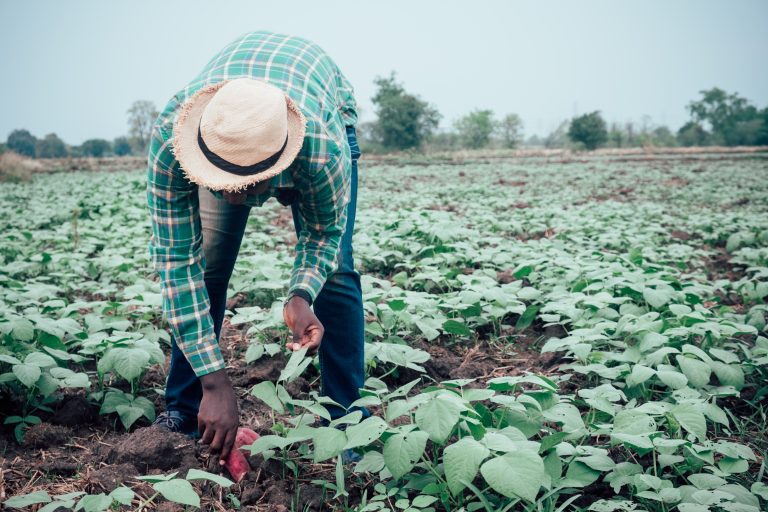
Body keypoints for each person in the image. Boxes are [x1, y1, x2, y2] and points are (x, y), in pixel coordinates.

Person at [146, 30, 368, 466]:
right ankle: (183, 407)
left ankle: (345, 423)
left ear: (281, 162)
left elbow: (324, 234)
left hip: (319, 101)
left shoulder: (322, 153)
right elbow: (176, 264)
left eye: (246, 184)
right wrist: (215, 381)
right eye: (219, 181)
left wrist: (301, 295)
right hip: (229, 125)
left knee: (337, 273)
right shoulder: (172, 144)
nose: (231, 196)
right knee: (208, 268)